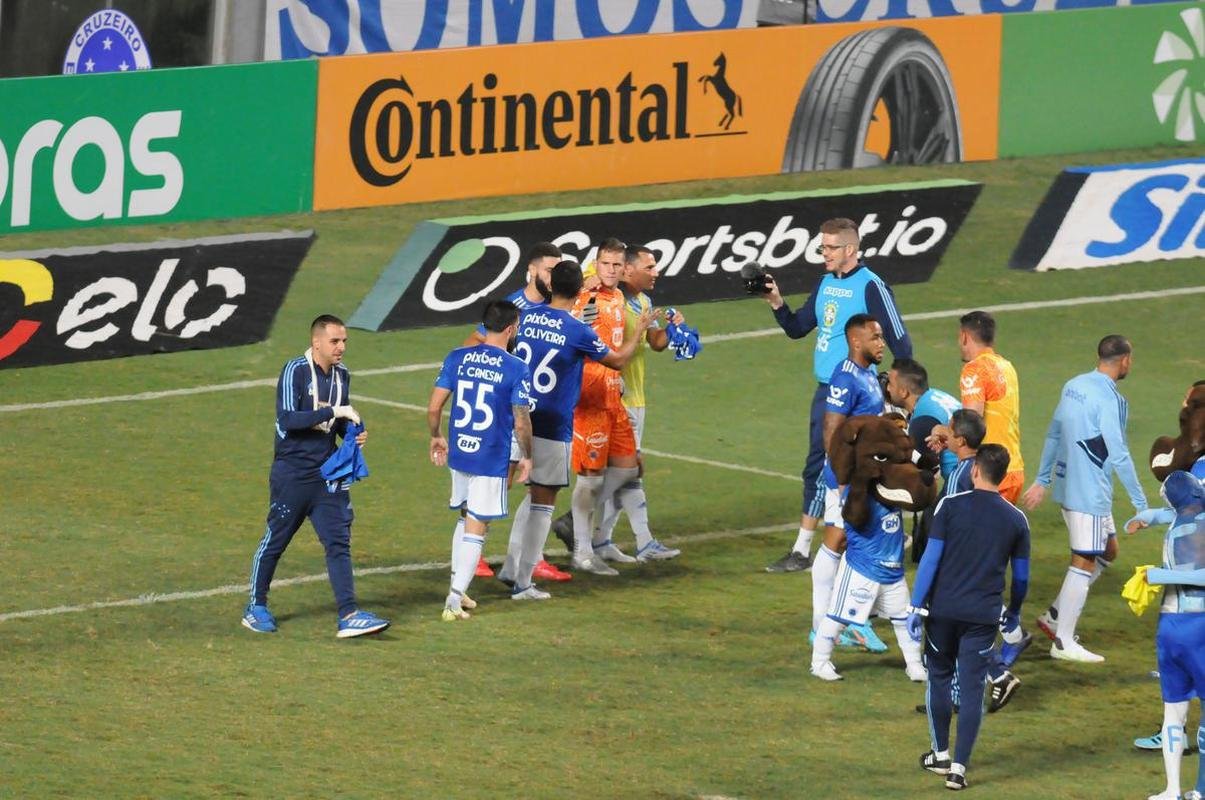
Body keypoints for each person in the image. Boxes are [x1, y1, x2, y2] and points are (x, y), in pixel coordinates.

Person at [761, 217, 912, 573]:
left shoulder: (872, 285)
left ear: (850, 249)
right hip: (827, 389)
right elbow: (798, 328)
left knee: (844, 464)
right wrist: (775, 301)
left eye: (829, 247)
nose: (823, 253)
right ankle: (816, 546)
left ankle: (811, 548)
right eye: (822, 247)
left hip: (858, 393)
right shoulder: (826, 283)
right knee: (827, 464)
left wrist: (888, 389)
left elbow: (901, 342)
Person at [499, 260, 651, 598]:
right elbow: (617, 360)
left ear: (551, 286)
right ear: (580, 290)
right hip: (552, 424)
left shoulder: (528, 316)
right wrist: (638, 330)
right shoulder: (578, 330)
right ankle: (523, 582)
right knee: (543, 502)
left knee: (528, 494)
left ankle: (511, 566)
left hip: (520, 415)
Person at [242, 314, 390, 638]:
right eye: (335, 341)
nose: (341, 347)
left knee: (338, 541)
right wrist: (334, 412)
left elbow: (336, 423)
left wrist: (351, 430)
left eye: (345, 341)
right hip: (292, 476)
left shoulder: (342, 376)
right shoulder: (294, 371)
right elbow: (288, 419)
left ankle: (349, 614)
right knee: (276, 539)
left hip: (326, 475)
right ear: (317, 342)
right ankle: (255, 606)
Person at [908, 444, 1031, 791]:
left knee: (940, 678)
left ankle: (940, 753)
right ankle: (958, 770)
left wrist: (916, 606)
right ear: (1003, 475)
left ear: (975, 470)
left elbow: (931, 558)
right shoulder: (1016, 520)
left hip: (943, 612)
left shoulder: (949, 505)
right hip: (983, 617)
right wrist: (1016, 610)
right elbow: (1021, 578)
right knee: (974, 690)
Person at [552, 244, 683, 562]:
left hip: (631, 391)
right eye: (650, 267)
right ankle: (601, 532)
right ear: (629, 269)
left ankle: (602, 539)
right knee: (624, 469)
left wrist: (674, 328)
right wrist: (587, 282)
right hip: (606, 392)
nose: (656, 272)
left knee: (627, 470)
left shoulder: (638, 301)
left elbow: (655, 343)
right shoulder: (598, 293)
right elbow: (575, 290)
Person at [1022, 334, 1149, 662]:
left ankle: (1054, 616)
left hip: (1069, 486)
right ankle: (1063, 641)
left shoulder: (1073, 385)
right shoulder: (1113, 401)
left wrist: (1043, 479)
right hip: (1088, 492)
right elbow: (1118, 455)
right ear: (1124, 361)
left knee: (1109, 550)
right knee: (1084, 559)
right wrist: (1141, 505)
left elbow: (1054, 432)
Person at [462, 242, 572, 585]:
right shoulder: (514, 307)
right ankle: (473, 551)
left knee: (538, 488)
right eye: (548, 270)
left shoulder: (561, 310)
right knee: (500, 480)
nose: (553, 277)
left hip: (544, 411)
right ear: (532, 271)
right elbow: (473, 345)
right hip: (511, 409)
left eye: (558, 271)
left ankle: (530, 558)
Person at [428, 301, 533, 620]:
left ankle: (458, 587)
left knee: (464, 516)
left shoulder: (456, 357)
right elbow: (521, 421)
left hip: (460, 451)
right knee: (478, 525)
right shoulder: (516, 367)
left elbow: (434, 408)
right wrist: (527, 456)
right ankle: (454, 598)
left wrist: (436, 435)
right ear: (512, 329)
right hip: (490, 455)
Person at [567, 238, 660, 576]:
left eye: (616, 265)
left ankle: (579, 523)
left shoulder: (620, 296)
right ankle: (582, 551)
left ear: (624, 269)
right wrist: (583, 283)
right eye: (604, 264)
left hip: (614, 395)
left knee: (627, 468)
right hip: (590, 394)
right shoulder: (587, 296)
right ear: (597, 264)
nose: (610, 270)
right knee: (590, 480)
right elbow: (577, 333)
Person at [811, 314, 891, 653]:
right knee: (841, 543)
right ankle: (830, 625)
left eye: (882, 336)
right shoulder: (845, 376)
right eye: (875, 337)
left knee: (847, 543)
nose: (881, 342)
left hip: (862, 474)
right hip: (847, 478)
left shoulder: (868, 374)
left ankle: (843, 622)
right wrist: (844, 481)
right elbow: (832, 430)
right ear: (856, 341)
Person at [1124, 470, 1205, 800]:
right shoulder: (1189, 517)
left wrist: (1157, 573)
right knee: (1176, 711)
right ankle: (1186, 790)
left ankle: (1182, 790)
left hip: (1175, 626)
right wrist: (1141, 517)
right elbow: (1163, 514)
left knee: (1175, 712)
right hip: (1193, 627)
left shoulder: (1177, 522)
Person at [957, 311, 1025, 504]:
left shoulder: (975, 369)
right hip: (1013, 468)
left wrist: (944, 434)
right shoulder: (1007, 366)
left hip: (991, 473)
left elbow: (970, 425)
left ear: (964, 336)